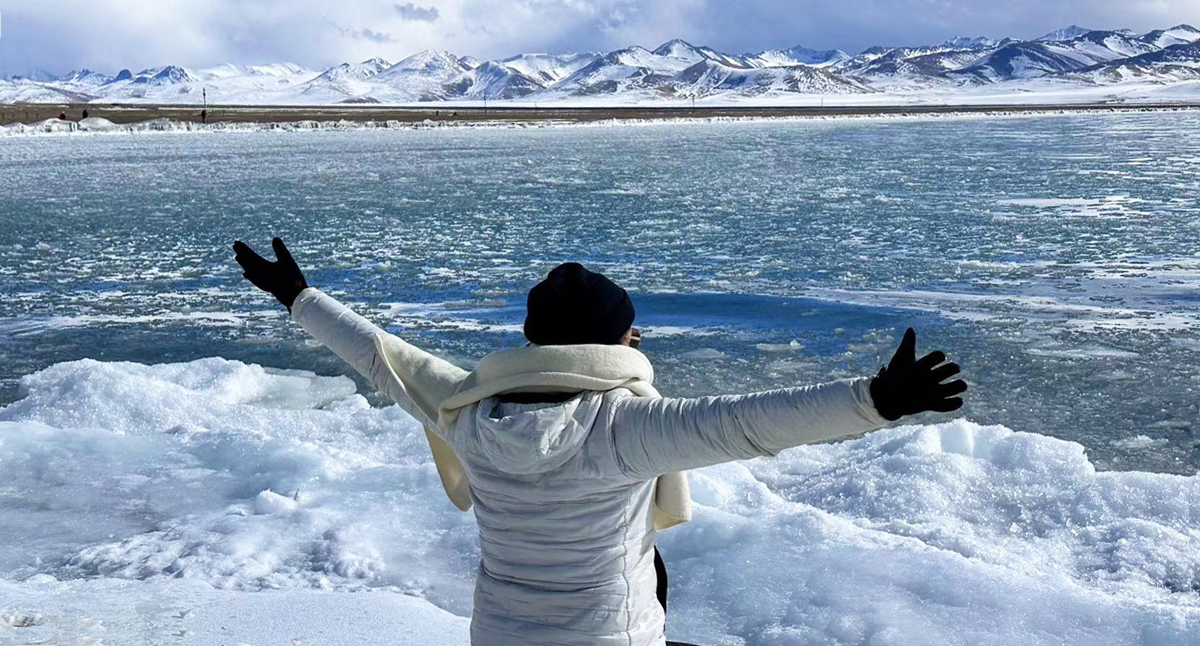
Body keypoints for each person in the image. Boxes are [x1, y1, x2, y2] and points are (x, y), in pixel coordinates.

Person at [232, 238, 966, 646]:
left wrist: (297, 296)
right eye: (630, 330)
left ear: (530, 340)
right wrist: (874, 402)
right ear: (621, 341)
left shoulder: (465, 412)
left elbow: (381, 356)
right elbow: (749, 423)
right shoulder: (625, 429)